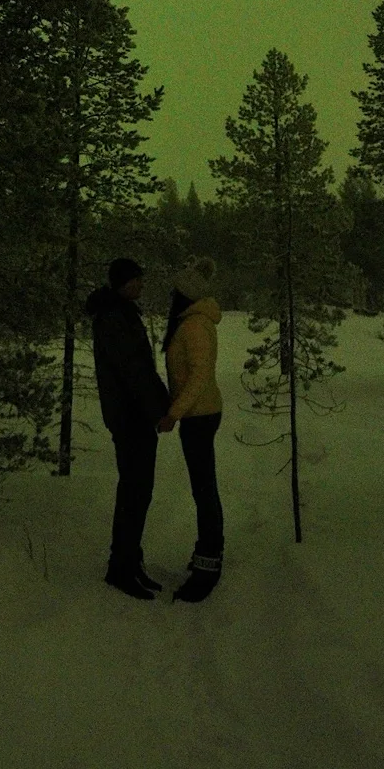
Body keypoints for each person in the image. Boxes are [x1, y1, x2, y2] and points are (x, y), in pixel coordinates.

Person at [86, 257, 171, 600]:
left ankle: (129, 561)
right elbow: (134, 371)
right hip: (130, 417)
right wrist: (160, 409)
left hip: (131, 416)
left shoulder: (120, 313)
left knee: (137, 490)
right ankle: (121, 567)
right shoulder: (114, 317)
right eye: (135, 280)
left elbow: (139, 369)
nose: (140, 285)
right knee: (135, 491)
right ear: (122, 283)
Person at [160, 256, 225, 602]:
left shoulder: (195, 325)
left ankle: (208, 564)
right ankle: (207, 552)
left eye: (176, 292)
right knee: (203, 488)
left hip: (199, 416)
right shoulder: (191, 322)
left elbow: (199, 375)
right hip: (197, 415)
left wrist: (174, 413)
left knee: (204, 490)